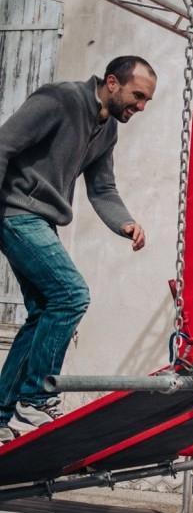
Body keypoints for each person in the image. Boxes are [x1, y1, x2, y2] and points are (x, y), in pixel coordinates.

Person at [0, 56, 152, 442]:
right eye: (137, 96)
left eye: (147, 100)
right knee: (71, 295)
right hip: (16, 213)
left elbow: (102, 188)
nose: (141, 106)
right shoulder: (59, 99)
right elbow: (4, 145)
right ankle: (35, 400)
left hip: (41, 221)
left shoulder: (106, 131)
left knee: (42, 313)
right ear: (113, 83)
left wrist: (125, 222)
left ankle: (2, 415)